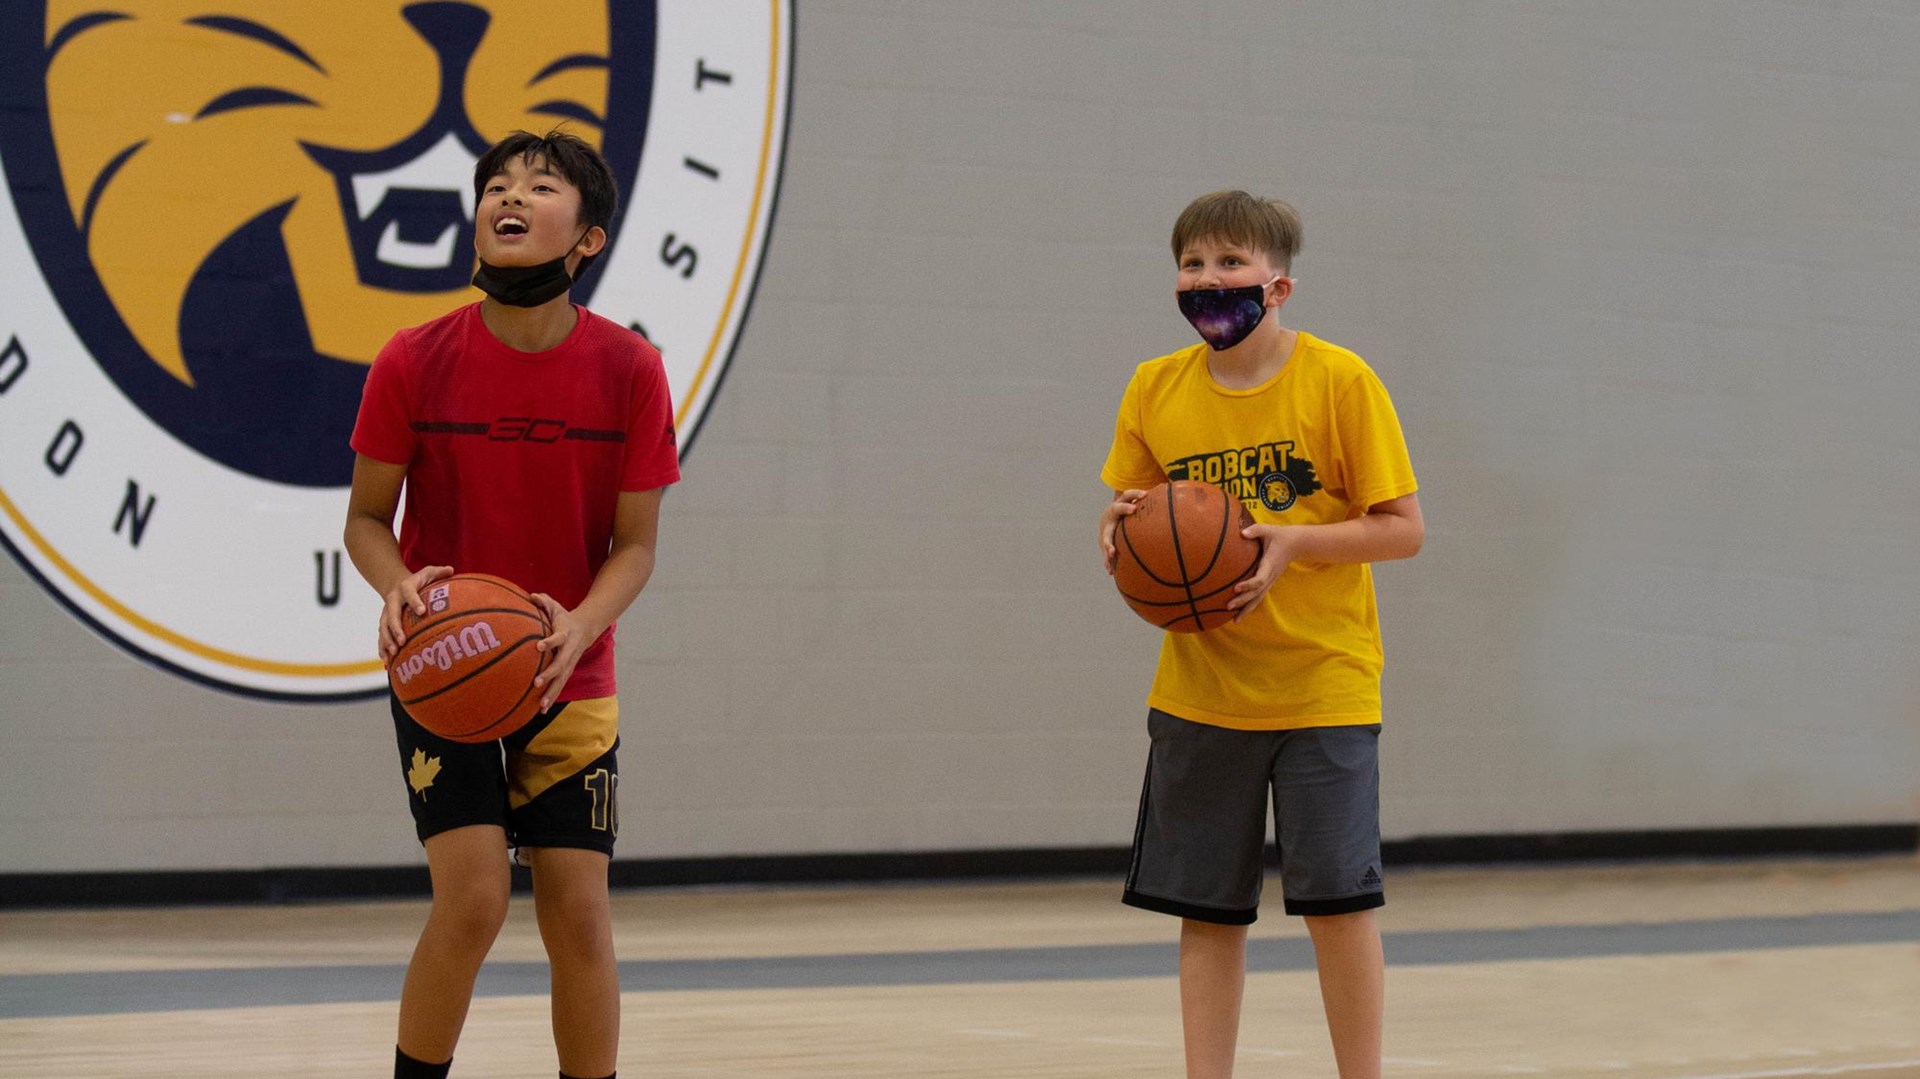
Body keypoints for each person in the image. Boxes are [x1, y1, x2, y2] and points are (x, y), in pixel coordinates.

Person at [344, 129, 679, 1079]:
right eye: (496, 184)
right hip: (447, 667)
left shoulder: (630, 369)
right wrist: (397, 583)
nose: (510, 195)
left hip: (571, 668)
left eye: (540, 185)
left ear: (589, 238)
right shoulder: (413, 358)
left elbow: (636, 546)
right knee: (475, 899)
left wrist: (582, 623)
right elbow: (366, 520)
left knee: (579, 912)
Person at [1097, 190, 1423, 1079]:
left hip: (1323, 683)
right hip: (1202, 690)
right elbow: (1137, 513)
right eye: (1192, 263)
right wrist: (1116, 530)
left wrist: (1294, 544)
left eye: (1230, 262)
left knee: (1339, 908)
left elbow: (1404, 528)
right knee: (1207, 914)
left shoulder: (1340, 381)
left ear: (1278, 285)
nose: (1209, 279)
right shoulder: (1154, 387)